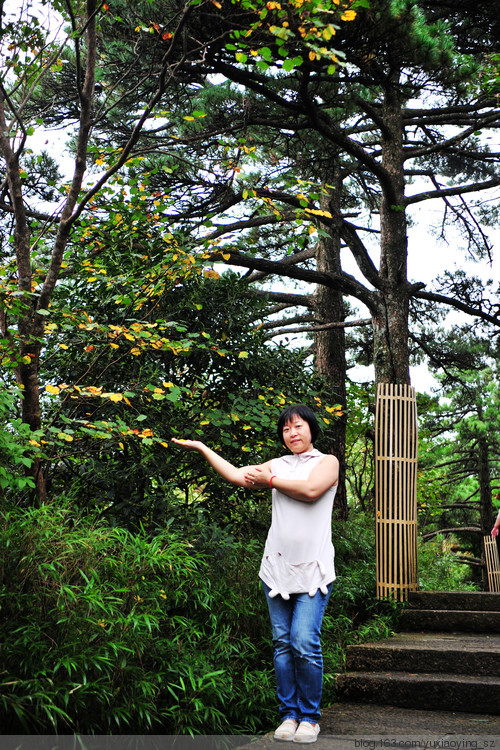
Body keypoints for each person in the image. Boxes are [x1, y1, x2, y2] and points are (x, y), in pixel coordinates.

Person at [172, 404, 339, 744]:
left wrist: (272, 481)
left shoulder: (327, 462)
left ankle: (309, 717)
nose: (292, 433)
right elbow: (236, 475)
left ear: (311, 430)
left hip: (314, 570)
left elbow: (309, 492)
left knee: (303, 641)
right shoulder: (276, 464)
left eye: (298, 427)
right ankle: (289, 715)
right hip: (276, 570)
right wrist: (204, 448)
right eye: (286, 429)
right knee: (281, 644)